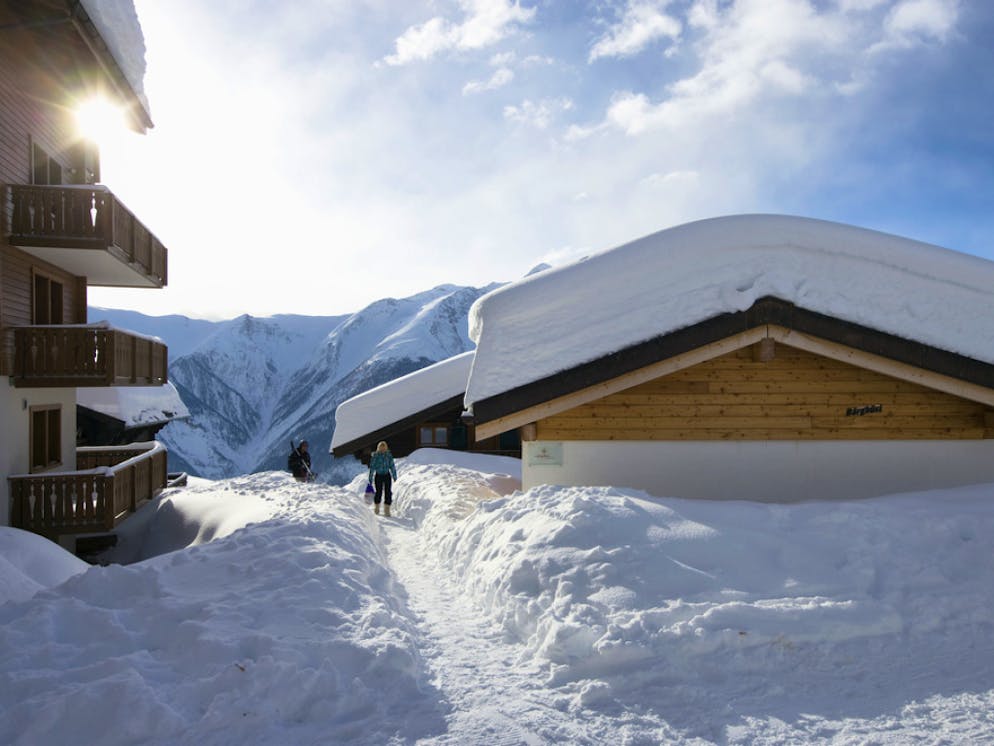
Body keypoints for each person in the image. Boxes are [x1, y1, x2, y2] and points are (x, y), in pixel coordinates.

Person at [368, 441, 397, 516]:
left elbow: (392, 466)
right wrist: (370, 477)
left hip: (387, 475)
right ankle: (377, 507)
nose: (382, 450)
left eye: (384, 448)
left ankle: (387, 509)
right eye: (381, 449)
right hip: (379, 476)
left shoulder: (388, 456)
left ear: (386, 448)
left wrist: (394, 475)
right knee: (379, 492)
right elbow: (372, 467)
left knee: (388, 492)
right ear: (378, 448)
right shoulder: (375, 456)